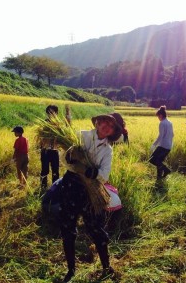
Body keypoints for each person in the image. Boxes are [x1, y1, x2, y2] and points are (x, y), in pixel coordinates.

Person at [59, 113, 123, 282]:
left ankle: (106, 267)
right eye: (104, 122)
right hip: (72, 185)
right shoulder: (82, 136)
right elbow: (65, 159)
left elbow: (104, 175)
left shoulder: (107, 151)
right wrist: (70, 159)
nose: (106, 126)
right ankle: (71, 269)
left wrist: (93, 173)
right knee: (68, 226)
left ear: (112, 132)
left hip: (91, 191)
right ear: (98, 122)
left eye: (111, 126)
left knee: (96, 228)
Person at [149, 105, 174, 179]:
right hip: (168, 146)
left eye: (158, 116)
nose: (158, 118)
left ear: (161, 115)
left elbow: (161, 136)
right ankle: (159, 177)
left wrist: (154, 145)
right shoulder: (170, 122)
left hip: (163, 146)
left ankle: (167, 170)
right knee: (159, 161)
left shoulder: (162, 123)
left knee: (152, 159)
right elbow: (172, 134)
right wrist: (171, 143)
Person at [40, 105, 60, 190]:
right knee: (45, 169)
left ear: (56, 113)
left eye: (53, 112)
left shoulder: (59, 124)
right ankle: (43, 187)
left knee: (55, 170)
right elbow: (41, 136)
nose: (51, 114)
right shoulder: (44, 123)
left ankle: (55, 187)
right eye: (49, 112)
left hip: (55, 150)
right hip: (45, 150)